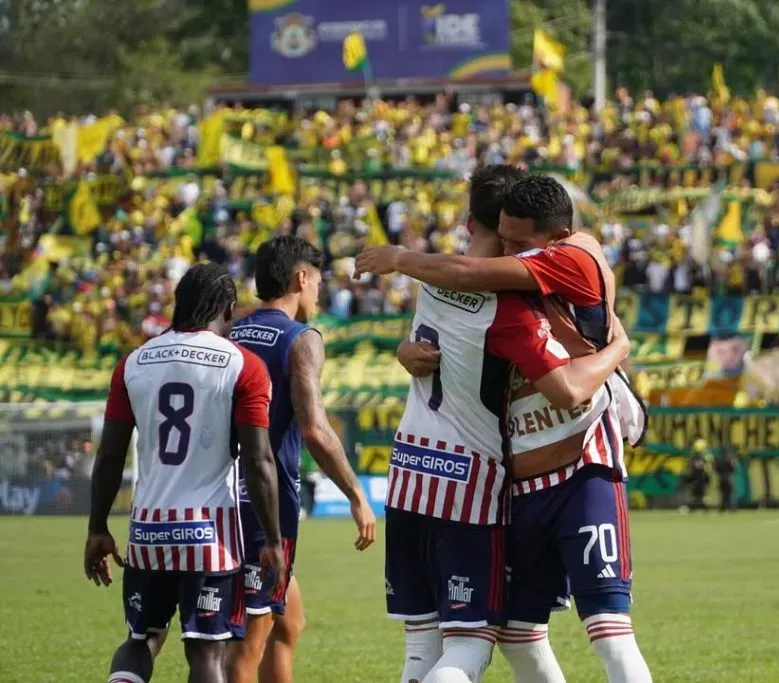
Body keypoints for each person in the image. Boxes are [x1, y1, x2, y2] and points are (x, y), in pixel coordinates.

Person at [357, 174, 652, 683]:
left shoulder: (567, 259)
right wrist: (619, 347)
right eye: (508, 241)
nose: (513, 255)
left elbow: (467, 277)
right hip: (502, 482)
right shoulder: (493, 296)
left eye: (522, 244)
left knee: (598, 632)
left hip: (574, 463)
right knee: (504, 640)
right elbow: (462, 293)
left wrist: (401, 262)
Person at [85, 262, 286, 683]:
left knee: (140, 640)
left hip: (148, 529)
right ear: (228, 309)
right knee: (207, 654)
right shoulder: (243, 365)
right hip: (208, 534)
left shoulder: (134, 362)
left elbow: (110, 455)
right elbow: (258, 460)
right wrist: (272, 539)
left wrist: (97, 527)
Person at [227, 236, 376, 683]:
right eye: (318, 283)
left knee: (287, 621)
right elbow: (315, 429)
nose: (319, 293)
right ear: (301, 278)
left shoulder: (229, 332)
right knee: (247, 644)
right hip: (265, 504)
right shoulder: (301, 338)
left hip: (223, 496)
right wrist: (357, 495)